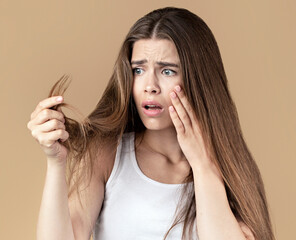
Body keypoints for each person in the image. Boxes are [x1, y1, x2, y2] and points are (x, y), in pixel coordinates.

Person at [27, 7, 275, 240]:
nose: (150, 86)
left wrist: (202, 165)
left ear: (199, 80)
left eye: (167, 71)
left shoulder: (229, 171)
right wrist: (56, 163)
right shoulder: (107, 155)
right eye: (138, 70)